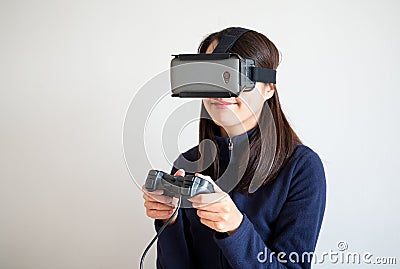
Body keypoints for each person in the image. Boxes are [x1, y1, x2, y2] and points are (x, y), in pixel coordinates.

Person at [142, 27, 326, 269]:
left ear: (268, 87)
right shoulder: (186, 165)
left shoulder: (301, 168)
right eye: (212, 75)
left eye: (233, 75)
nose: (222, 90)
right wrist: (170, 221)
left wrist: (235, 228)